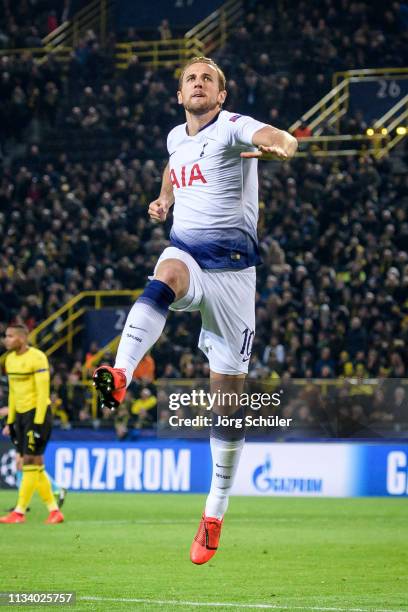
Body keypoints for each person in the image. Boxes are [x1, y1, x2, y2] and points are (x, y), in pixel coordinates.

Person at [93, 56, 297, 563]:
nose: (200, 83)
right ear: (180, 96)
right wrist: (164, 199)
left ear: (221, 95)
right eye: (191, 78)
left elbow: (279, 137)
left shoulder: (232, 128)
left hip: (234, 277)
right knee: (165, 275)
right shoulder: (174, 138)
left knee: (227, 404)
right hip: (188, 253)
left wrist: (281, 143)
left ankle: (214, 513)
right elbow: (172, 166)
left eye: (209, 78)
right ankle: (120, 374)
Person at [0, 324, 64, 524]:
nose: (6, 339)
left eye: (10, 336)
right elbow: (13, 392)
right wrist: (10, 419)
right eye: (5, 336)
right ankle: (54, 511)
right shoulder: (9, 360)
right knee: (35, 463)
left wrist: (36, 423)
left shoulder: (37, 358)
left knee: (27, 461)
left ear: (22, 338)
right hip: (18, 416)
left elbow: (43, 391)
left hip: (38, 415)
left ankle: (19, 512)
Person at [0, 406, 67, 511]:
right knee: (25, 466)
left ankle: (22, 503)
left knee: (28, 465)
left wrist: (8, 413)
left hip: (28, 428)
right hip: (19, 429)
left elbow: (11, 408)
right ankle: (55, 489)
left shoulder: (21, 397)